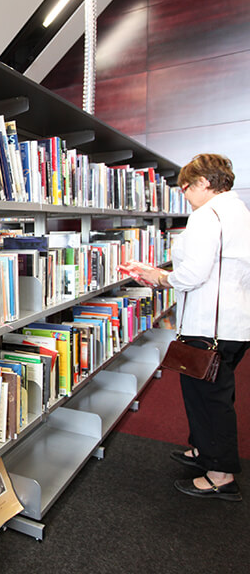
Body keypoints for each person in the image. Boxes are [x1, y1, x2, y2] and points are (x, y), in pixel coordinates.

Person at [122, 153, 250, 501]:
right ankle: (204, 451)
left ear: (205, 183)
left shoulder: (208, 216)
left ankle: (221, 474)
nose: (184, 192)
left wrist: (158, 277)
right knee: (213, 392)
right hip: (233, 323)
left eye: (187, 185)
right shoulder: (238, 211)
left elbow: (193, 275)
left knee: (209, 397)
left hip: (211, 325)